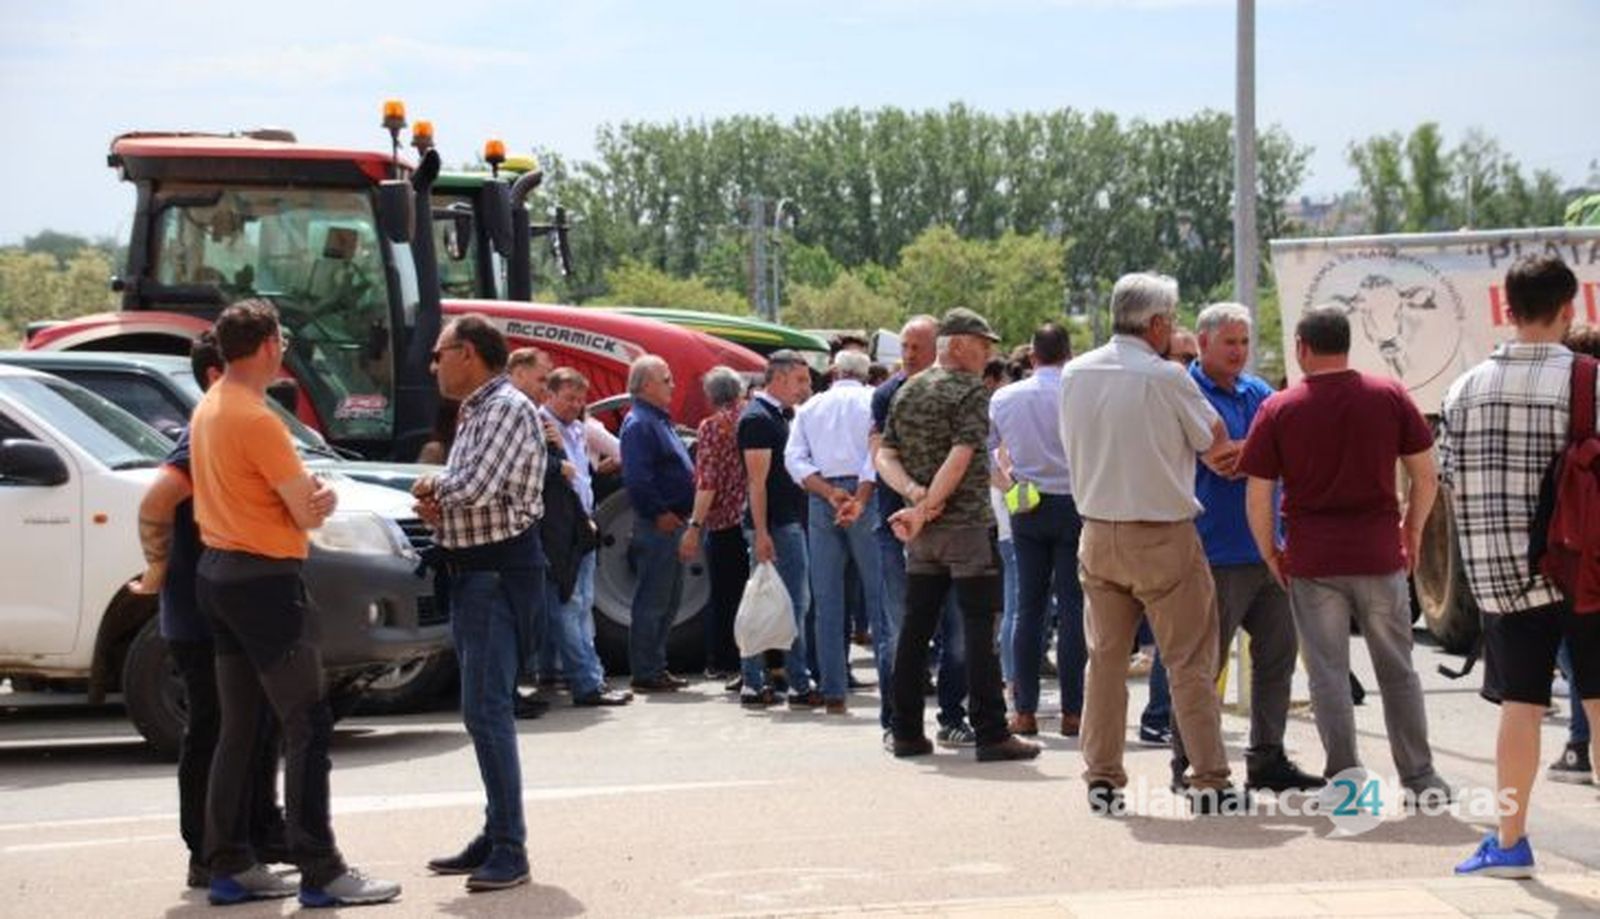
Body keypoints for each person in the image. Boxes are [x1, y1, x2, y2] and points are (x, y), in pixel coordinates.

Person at [188, 299, 399, 906]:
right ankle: (321, 869)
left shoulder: (209, 405)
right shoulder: (257, 418)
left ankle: (227, 862)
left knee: (241, 725)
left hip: (218, 573)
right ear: (268, 347)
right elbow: (305, 508)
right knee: (307, 722)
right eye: (281, 339)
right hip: (265, 579)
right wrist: (323, 497)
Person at [1240, 305, 1451, 806]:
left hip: (1314, 560)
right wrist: (1412, 531)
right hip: (1380, 553)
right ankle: (1420, 779)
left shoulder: (1280, 408)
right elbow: (1427, 475)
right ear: (1348, 343)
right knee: (1397, 669)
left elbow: (1257, 493)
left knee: (1328, 674)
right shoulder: (1389, 396)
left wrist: (1270, 550)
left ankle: (1346, 781)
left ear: (1301, 348)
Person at [1058, 273, 1245, 816]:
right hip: (1162, 534)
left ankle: (1102, 777)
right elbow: (1212, 439)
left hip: (1097, 529)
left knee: (1106, 661)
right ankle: (1209, 777)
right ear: (1158, 323)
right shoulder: (1166, 376)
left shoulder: (1076, 372)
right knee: (1188, 660)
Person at [1439, 257, 1600, 877]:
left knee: (1521, 707)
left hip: (1503, 576)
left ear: (1507, 310)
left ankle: (1510, 843)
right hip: (1586, 569)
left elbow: (1451, 479)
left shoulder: (1463, 388)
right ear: (1568, 310)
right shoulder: (1588, 379)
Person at [130, 331, 286, 892]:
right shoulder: (206, 430)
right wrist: (157, 569)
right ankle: (208, 850)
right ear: (219, 373)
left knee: (256, 727)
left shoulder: (229, 425)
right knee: (217, 730)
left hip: (229, 607)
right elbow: (156, 501)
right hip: (202, 614)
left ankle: (259, 832)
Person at [414, 314, 546, 892]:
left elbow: (473, 487)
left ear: (467, 353)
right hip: (477, 573)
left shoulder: (504, 409)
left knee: (487, 713)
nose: (433, 365)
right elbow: (469, 492)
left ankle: (510, 847)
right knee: (481, 712)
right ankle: (497, 832)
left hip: (496, 576)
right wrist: (438, 502)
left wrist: (429, 488)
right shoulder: (478, 411)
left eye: (440, 353)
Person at [1170, 303, 1322, 793]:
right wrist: (1243, 454)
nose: (1238, 351)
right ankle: (1189, 764)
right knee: (1201, 667)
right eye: (1229, 342)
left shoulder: (1259, 392)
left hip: (1267, 551)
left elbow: (1273, 455)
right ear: (1204, 341)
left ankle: (1267, 758)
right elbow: (1216, 460)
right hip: (1210, 553)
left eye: (1243, 342)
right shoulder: (1181, 392)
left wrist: (1247, 454)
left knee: (1278, 657)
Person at [877, 307, 1041, 763]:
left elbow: (884, 454)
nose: (988, 354)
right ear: (961, 345)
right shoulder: (971, 391)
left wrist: (914, 499)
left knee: (915, 629)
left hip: (923, 533)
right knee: (978, 630)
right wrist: (928, 508)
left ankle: (906, 730)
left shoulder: (907, 390)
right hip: (965, 526)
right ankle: (991, 731)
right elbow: (963, 454)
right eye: (983, 345)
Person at [870, 315, 974, 747]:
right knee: (900, 628)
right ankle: (897, 720)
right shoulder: (887, 395)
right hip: (898, 528)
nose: (908, 354)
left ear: (940, 350)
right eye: (906, 347)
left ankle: (952, 715)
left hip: (951, 530)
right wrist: (916, 496)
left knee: (958, 631)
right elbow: (880, 455)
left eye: (917, 347)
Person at [989, 322, 1085, 738]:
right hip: (1076, 499)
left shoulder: (1006, 396)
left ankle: (1024, 710)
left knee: (1028, 608)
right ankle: (1073, 711)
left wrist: (1011, 486)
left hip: (1026, 501)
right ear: (1069, 353)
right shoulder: (1080, 391)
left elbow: (984, 453)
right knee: (1073, 610)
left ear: (1032, 356)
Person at [785, 349, 881, 711]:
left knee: (827, 601)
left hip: (822, 496)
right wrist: (859, 496)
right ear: (866, 373)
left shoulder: (810, 408)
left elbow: (793, 458)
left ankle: (833, 691)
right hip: (864, 495)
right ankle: (890, 684)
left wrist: (828, 493)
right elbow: (879, 452)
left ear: (834, 372)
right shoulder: (874, 400)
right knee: (878, 596)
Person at [539, 368, 632, 707]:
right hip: (560, 527)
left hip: (583, 523)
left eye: (580, 399)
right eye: (568, 398)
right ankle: (587, 681)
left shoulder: (577, 429)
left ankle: (574, 674)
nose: (575, 405)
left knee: (581, 604)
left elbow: (581, 477)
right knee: (569, 604)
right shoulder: (542, 427)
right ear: (549, 395)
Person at [737, 350, 821, 708]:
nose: (805, 388)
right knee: (781, 603)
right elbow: (756, 483)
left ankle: (782, 680)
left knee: (788, 604)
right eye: (800, 380)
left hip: (787, 521)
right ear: (781, 378)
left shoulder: (782, 416)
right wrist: (762, 533)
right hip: (775, 525)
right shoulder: (757, 418)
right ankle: (768, 681)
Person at [618, 355, 696, 692]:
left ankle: (656, 666)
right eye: (666, 379)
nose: (673, 384)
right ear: (647, 384)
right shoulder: (640, 424)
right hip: (659, 525)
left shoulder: (658, 420)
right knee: (653, 600)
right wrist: (659, 512)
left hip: (673, 522)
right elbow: (637, 477)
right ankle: (646, 671)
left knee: (669, 600)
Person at [680, 366, 749, 683]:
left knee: (724, 596)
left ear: (710, 396)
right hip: (753, 518)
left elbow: (707, 481)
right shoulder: (751, 416)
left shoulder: (712, 426)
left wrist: (694, 526)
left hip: (724, 522)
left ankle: (725, 660)